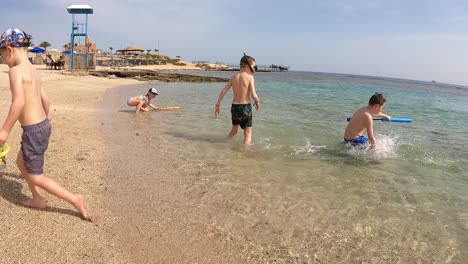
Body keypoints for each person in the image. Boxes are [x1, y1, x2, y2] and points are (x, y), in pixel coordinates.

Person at [0, 28, 88, 219]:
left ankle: (74, 199)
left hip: (33, 130)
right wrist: (41, 123)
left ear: (10, 49)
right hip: (43, 125)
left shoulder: (15, 71)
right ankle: (37, 199)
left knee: (35, 176)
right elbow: (46, 100)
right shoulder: (32, 69)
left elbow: (19, 102)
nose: (3, 59)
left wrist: (5, 131)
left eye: (2, 55)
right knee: (20, 161)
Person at [213, 53, 260, 145]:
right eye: (255, 67)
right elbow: (253, 94)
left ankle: (224, 144)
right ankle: (246, 153)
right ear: (247, 66)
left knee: (234, 131)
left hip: (234, 108)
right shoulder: (250, 77)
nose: (255, 69)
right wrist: (257, 101)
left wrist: (217, 104)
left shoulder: (234, 77)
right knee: (248, 133)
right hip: (245, 108)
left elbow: (223, 91)